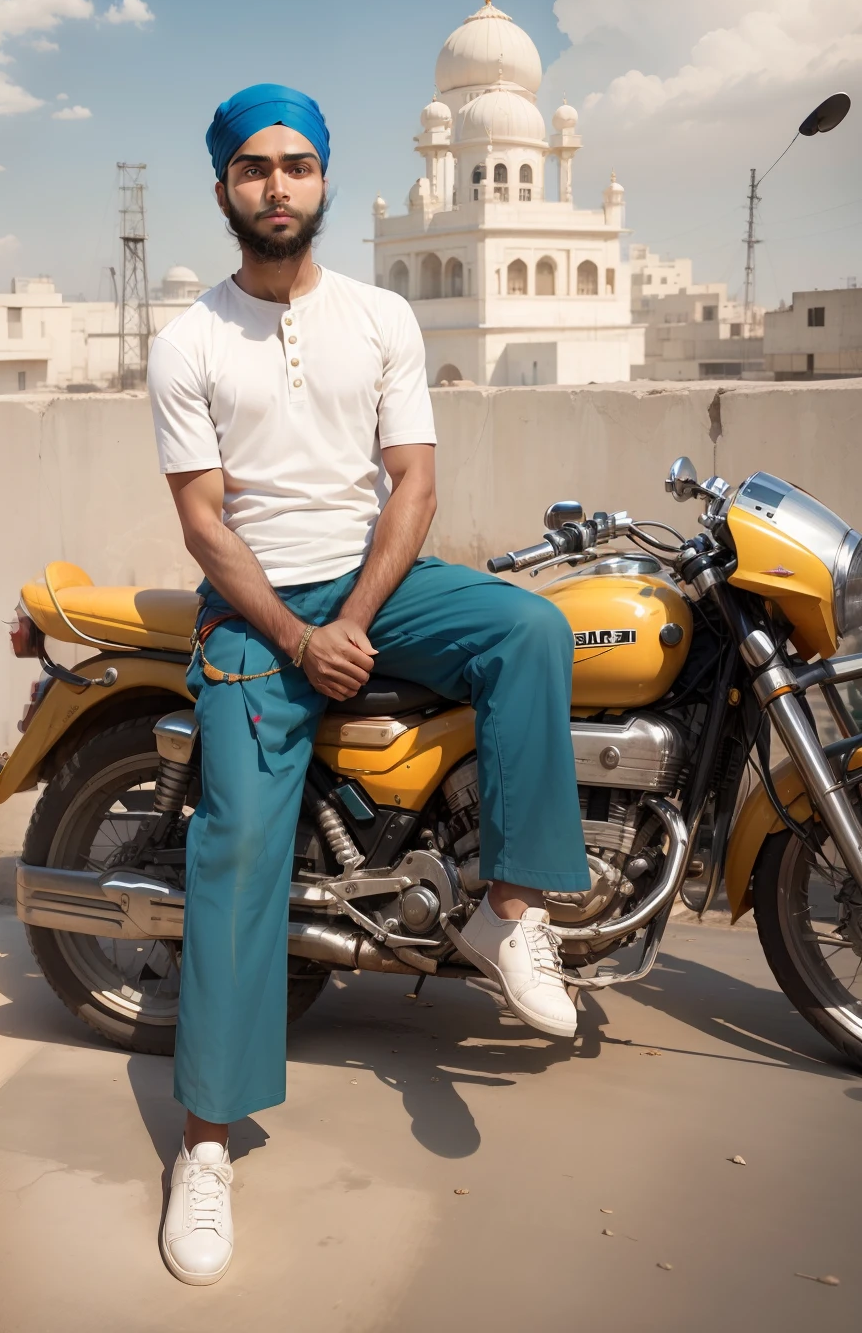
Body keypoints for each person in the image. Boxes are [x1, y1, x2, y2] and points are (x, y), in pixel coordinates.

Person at [146, 83, 589, 1286]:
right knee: (235, 849)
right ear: (226, 187)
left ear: (328, 179)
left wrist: (352, 618)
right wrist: (299, 637)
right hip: (255, 609)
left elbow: (413, 487)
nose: (276, 185)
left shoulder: (383, 315)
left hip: (377, 583)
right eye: (252, 167)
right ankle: (205, 1143)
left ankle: (511, 909)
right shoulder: (184, 340)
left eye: (296, 164)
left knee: (530, 634)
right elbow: (202, 525)